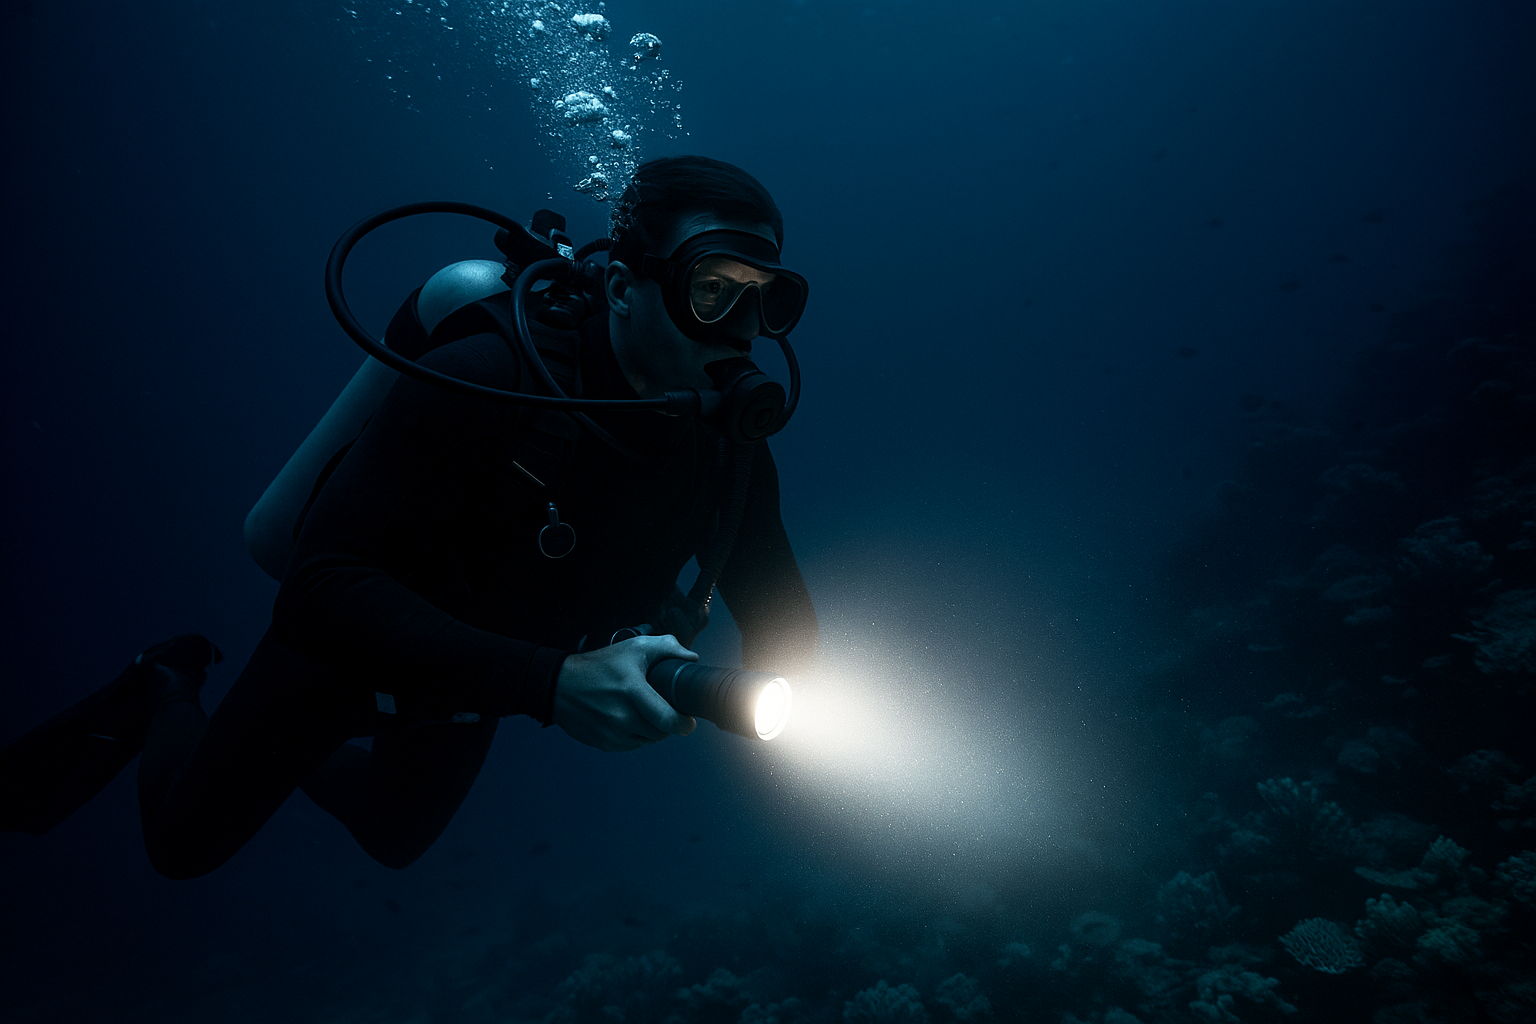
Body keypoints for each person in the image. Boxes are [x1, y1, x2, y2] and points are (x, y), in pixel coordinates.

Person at [0, 156, 818, 877]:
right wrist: (551, 682)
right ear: (620, 289)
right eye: (712, 292)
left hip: (473, 680)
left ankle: (273, 754)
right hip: (347, 649)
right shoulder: (488, 378)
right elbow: (317, 585)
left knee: (393, 836)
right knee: (181, 846)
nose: (742, 333)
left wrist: (801, 719)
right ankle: (165, 684)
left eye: (766, 301)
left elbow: (780, 614)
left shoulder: (731, 451)